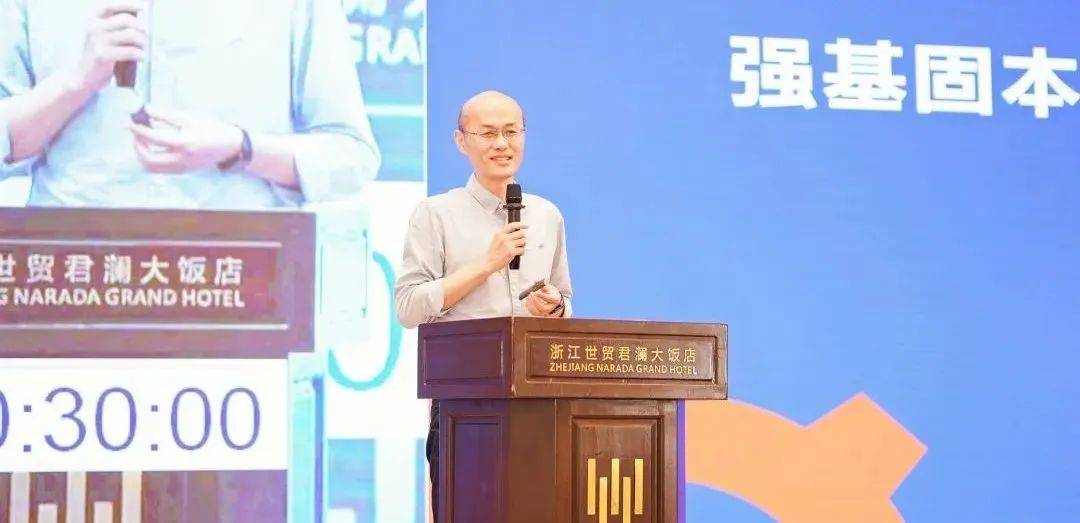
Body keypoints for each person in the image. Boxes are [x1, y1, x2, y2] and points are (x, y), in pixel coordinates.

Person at [0, 0, 379, 209]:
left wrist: (240, 147)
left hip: (234, 277)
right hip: (71, 278)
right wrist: (76, 81)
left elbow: (350, 156)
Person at [395, 90, 573, 519]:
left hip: (538, 403)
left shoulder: (546, 215)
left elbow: (565, 300)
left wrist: (554, 307)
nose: (502, 144)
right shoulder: (435, 214)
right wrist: (486, 264)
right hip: (465, 405)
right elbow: (409, 306)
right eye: (488, 133)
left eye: (512, 132)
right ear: (461, 141)